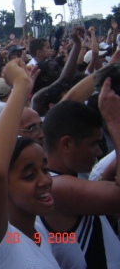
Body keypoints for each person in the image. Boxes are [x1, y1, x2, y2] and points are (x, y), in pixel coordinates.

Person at [0, 59, 59, 268]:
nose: (45, 180)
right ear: (4, 186)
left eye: (45, 170)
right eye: (29, 175)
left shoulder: (34, 229)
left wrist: (71, 238)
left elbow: (39, 241)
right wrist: (21, 85)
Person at [38, 98, 120, 268]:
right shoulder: (56, 187)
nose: (98, 152)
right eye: (94, 144)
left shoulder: (70, 174)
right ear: (66, 144)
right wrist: (114, 122)